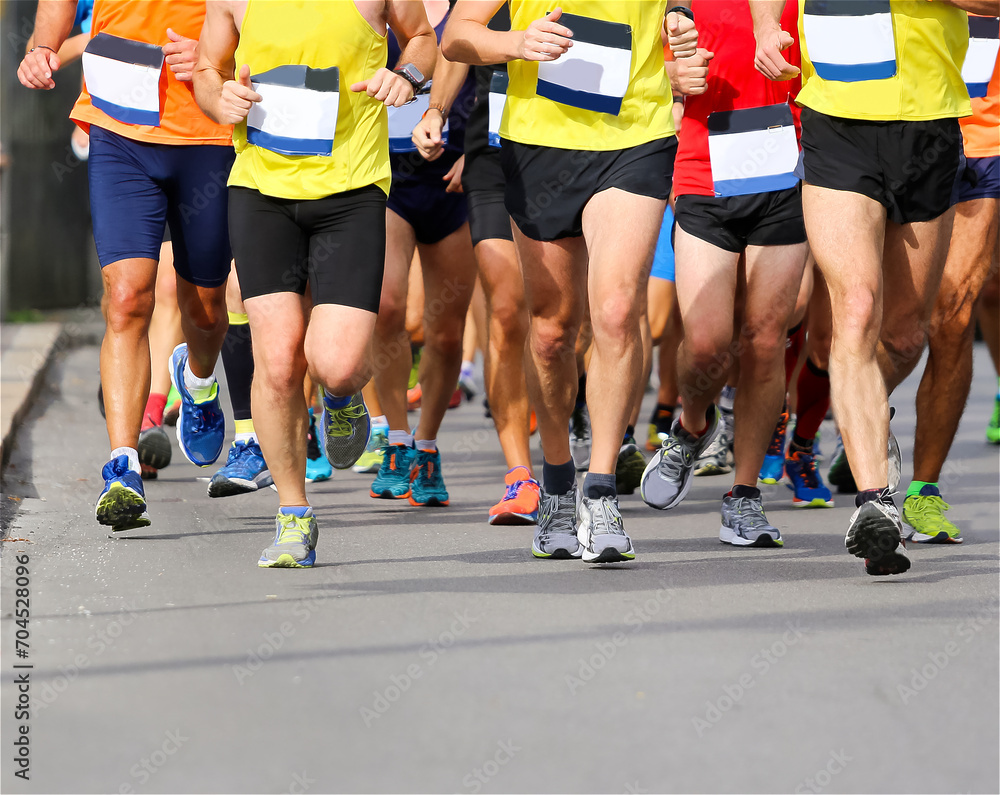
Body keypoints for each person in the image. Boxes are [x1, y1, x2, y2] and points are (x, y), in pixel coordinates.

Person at [444, 1, 697, 563]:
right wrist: (515, 44)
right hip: (541, 145)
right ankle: (557, 478)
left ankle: (601, 488)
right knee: (552, 333)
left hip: (636, 136)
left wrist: (678, 16)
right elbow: (455, 38)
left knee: (613, 311)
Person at [193, 0, 436, 568]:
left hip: (350, 193)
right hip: (260, 190)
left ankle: (342, 396)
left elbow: (423, 37)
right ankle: (293, 513)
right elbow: (208, 68)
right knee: (277, 363)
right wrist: (219, 98)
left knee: (341, 364)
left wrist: (406, 76)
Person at [751, 0, 977, 575]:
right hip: (837, 120)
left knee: (903, 336)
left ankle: (866, 416)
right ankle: (874, 504)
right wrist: (763, 22)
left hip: (929, 124)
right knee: (856, 305)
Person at [19, 0, 235, 534]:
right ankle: (123, 465)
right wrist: (42, 46)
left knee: (205, 310)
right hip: (119, 121)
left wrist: (223, 55)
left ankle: (199, 380)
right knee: (126, 298)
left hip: (207, 130)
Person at [639, 0, 809, 549]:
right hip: (703, 172)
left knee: (765, 337)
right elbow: (643, 68)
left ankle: (745, 495)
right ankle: (691, 426)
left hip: (785, 168)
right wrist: (670, 79)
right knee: (708, 343)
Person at [368, 0, 478, 509]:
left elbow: (502, 81)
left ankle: (427, 445)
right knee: (387, 307)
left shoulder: (474, 9)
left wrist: (475, 153)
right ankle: (394, 437)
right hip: (389, 171)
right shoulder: (381, 8)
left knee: (448, 327)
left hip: (453, 178)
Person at [903, 26, 999, 543]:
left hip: (985, 141)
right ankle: (830, 428)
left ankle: (923, 491)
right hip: (894, 128)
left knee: (954, 314)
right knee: (877, 321)